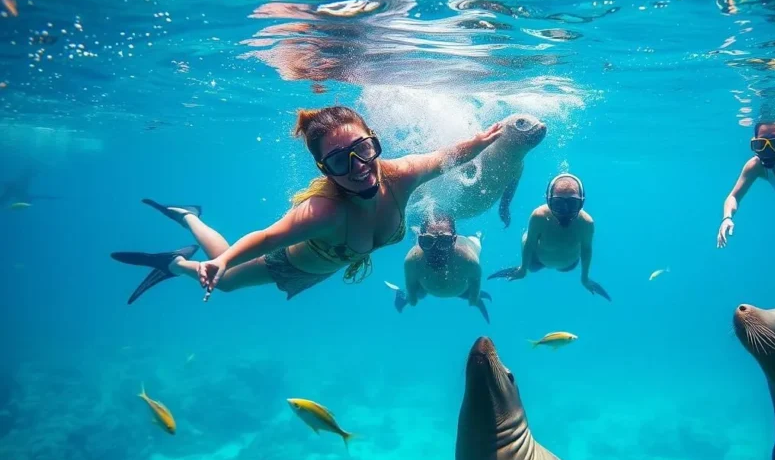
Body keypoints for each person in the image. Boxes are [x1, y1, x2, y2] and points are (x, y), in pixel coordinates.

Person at [111, 106, 503, 303]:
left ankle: (190, 224)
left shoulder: (401, 175)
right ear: (324, 169)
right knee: (226, 281)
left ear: (373, 141)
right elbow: (267, 238)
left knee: (226, 270)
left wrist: (482, 142)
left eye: (362, 150)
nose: (358, 168)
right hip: (293, 261)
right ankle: (179, 251)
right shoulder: (324, 212)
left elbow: (444, 156)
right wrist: (223, 262)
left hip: (329, 267)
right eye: (338, 161)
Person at [488, 173, 610, 301]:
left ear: (582, 202)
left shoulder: (586, 222)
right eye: (558, 204)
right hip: (537, 261)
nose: (565, 212)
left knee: (564, 268)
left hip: (568, 264)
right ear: (548, 200)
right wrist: (523, 269)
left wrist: (584, 278)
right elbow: (529, 244)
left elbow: (586, 250)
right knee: (529, 246)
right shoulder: (539, 216)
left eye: (572, 204)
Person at [393, 212, 491, 322]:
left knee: (476, 242)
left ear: (454, 240)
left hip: (462, 290)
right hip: (430, 289)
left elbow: (475, 285)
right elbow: (412, 296)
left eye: (444, 241)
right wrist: (410, 298)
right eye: (428, 241)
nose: (436, 251)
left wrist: (474, 297)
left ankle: (478, 236)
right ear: (420, 241)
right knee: (415, 297)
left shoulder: (470, 259)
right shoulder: (412, 260)